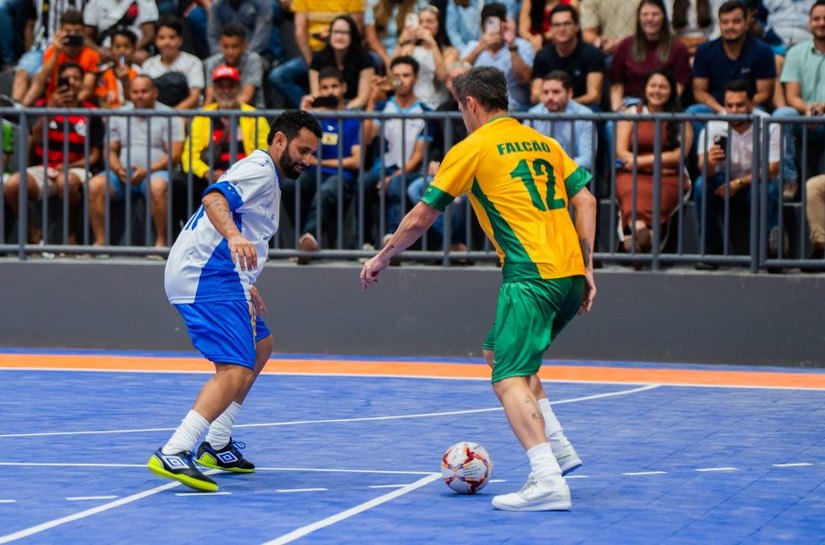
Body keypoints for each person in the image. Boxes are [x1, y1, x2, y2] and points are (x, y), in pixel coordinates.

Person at [360, 66, 596, 511]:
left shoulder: (473, 146)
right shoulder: (544, 143)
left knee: (507, 378)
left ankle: (546, 479)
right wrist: (587, 266)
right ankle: (559, 449)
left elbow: (422, 215)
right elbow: (585, 197)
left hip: (530, 274)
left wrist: (383, 255)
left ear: (471, 104)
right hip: (566, 274)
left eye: (459, 108)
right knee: (499, 354)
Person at [148, 110, 322, 492]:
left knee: (261, 345)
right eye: (302, 150)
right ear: (279, 140)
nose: (307, 160)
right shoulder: (260, 168)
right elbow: (213, 198)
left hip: (225, 276)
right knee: (236, 368)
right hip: (204, 276)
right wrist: (232, 238)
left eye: (312, 154)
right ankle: (176, 449)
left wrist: (246, 280)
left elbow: (247, 225)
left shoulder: (270, 178)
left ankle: (217, 441)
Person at [4, 61, 103, 245]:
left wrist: (69, 167)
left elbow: (94, 156)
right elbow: (36, 138)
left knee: (66, 182)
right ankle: (33, 234)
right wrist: (50, 109)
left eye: (76, 78)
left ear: (83, 83)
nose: (72, 82)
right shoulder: (44, 106)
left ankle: (70, 236)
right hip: (45, 168)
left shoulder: (91, 112)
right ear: (58, 82)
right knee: (12, 185)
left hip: (76, 169)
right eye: (67, 79)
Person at [88, 75, 185, 248]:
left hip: (154, 173)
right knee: (95, 185)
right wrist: (118, 169)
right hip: (121, 174)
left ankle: (161, 242)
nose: (139, 96)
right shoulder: (119, 114)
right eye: (135, 92)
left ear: (155, 93)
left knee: (158, 187)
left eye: (144, 91)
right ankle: (101, 241)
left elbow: (174, 154)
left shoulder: (170, 116)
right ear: (129, 94)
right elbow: (109, 150)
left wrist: (146, 170)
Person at [694, 79, 781, 266]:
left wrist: (739, 183)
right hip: (722, 181)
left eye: (740, 105)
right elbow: (704, 169)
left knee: (768, 191)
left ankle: (770, 253)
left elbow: (772, 167)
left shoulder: (770, 125)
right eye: (729, 105)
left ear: (752, 104)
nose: (733, 110)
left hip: (754, 182)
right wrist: (709, 163)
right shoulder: (714, 126)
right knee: (701, 185)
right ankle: (711, 251)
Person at [615, 68, 693, 254]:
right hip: (632, 173)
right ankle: (644, 235)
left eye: (663, 87)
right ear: (646, 89)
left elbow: (678, 155)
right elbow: (621, 151)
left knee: (659, 196)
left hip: (668, 175)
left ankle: (634, 239)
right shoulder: (632, 113)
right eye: (653, 86)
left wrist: (641, 163)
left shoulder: (682, 119)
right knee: (629, 191)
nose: (657, 91)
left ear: (672, 91)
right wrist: (642, 164)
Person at [291, 67, 363, 259]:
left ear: (344, 88)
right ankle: (301, 239)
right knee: (290, 186)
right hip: (313, 173)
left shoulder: (353, 118)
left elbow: (356, 161)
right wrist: (303, 114)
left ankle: (309, 240)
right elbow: (296, 147)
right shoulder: (315, 118)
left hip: (342, 176)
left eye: (334, 86)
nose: (329, 91)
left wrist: (322, 162)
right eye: (324, 88)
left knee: (327, 191)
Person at [362, 55, 431, 248]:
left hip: (410, 170)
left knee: (396, 184)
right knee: (364, 182)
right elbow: (366, 138)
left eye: (406, 75)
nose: (401, 80)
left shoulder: (425, 112)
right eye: (397, 75)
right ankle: (365, 241)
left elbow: (418, 156)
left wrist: (394, 177)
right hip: (384, 165)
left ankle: (392, 238)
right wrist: (371, 101)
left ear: (416, 78)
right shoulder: (383, 107)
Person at [181, 65, 270, 203]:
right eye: (221, 87)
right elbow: (189, 156)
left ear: (239, 88)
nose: (226, 91)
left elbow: (264, 155)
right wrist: (207, 173)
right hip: (209, 179)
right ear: (214, 90)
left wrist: (240, 174)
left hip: (246, 180)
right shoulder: (203, 116)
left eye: (231, 87)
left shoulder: (255, 116)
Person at [266, 0, 365, 109]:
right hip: (313, 54)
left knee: (374, 61)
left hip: (347, 54)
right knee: (278, 76)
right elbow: (300, 31)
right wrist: (310, 62)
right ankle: (310, 111)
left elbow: (357, 28)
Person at [772, 0, 825, 197]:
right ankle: (789, 181)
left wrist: (821, 109)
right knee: (783, 113)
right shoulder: (795, 53)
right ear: (809, 23)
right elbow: (791, 96)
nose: (821, 23)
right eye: (817, 19)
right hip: (803, 117)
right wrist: (807, 110)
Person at [690, 0, 777, 114]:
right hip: (715, 108)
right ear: (719, 25)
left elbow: (764, 93)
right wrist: (722, 110)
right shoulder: (705, 50)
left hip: (750, 107)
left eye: (736, 22)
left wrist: (738, 107)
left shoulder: (763, 51)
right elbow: (700, 92)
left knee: (760, 114)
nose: (730, 27)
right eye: (725, 22)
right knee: (694, 111)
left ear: (746, 24)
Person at [608, 0, 691, 112]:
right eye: (645, 14)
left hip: (664, 104)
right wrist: (617, 109)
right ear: (639, 17)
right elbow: (617, 85)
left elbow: (679, 86)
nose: (650, 18)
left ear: (664, 17)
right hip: (631, 104)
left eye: (655, 14)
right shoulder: (625, 45)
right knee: (611, 125)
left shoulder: (678, 48)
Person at [460, 2, 535, 111]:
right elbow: (458, 77)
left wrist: (512, 46)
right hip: (481, 111)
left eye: (498, 22)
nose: (495, 27)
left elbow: (524, 79)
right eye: (490, 22)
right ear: (482, 26)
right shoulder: (473, 47)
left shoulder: (522, 46)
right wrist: (481, 47)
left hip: (515, 110)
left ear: (505, 23)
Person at [530, 4, 606, 108]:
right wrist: (556, 103)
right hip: (551, 108)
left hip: (584, 110)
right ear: (551, 29)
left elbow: (594, 96)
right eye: (556, 25)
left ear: (577, 26)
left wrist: (565, 104)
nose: (562, 29)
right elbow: (535, 95)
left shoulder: (592, 54)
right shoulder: (542, 56)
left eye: (567, 24)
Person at [20, 8, 99, 106]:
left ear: (83, 32)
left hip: (78, 104)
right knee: (38, 77)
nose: (72, 35)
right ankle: (22, 109)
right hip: (53, 102)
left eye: (77, 31)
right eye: (68, 31)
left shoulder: (91, 55)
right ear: (61, 31)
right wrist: (57, 51)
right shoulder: (53, 51)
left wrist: (70, 103)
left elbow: (87, 89)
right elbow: (42, 77)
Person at [526, 71, 596, 173]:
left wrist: (555, 166)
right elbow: (526, 154)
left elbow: (587, 160)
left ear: (569, 93)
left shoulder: (585, 115)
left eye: (556, 92)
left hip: (572, 177)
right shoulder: (532, 114)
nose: (549, 97)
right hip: (540, 174)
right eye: (545, 92)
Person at [393, 4, 457, 109]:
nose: (424, 25)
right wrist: (401, 41)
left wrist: (432, 43)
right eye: (421, 21)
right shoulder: (409, 49)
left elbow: (442, 77)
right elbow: (392, 74)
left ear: (439, 24)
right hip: (413, 105)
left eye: (429, 21)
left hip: (438, 106)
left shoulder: (450, 52)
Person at [308, 15, 375, 111]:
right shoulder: (318, 59)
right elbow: (316, 94)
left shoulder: (364, 59)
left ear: (352, 35)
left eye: (344, 32)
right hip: (326, 107)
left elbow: (362, 98)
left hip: (354, 108)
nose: (339, 37)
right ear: (329, 34)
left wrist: (343, 112)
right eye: (336, 32)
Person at [141, 14, 205, 110]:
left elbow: (194, 97)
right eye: (162, 38)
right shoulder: (148, 65)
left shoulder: (193, 62)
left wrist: (172, 116)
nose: (167, 42)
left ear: (180, 40)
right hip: (156, 117)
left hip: (186, 114)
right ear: (155, 41)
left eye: (172, 37)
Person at [203, 23, 265, 108]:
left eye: (235, 47)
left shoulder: (253, 60)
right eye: (226, 46)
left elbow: (247, 96)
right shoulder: (212, 63)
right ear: (220, 45)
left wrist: (228, 110)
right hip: (220, 113)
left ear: (244, 45)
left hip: (251, 114)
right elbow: (210, 97)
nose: (230, 52)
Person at [82, 0, 157, 64]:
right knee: (91, 57)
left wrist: (130, 50)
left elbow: (149, 34)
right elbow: (86, 36)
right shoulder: (95, 2)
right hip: (106, 49)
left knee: (141, 57)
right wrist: (99, 50)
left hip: (134, 49)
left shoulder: (144, 1)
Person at [94, 27, 140, 109]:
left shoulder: (139, 72)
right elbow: (100, 99)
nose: (122, 50)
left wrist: (125, 81)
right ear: (111, 49)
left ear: (134, 49)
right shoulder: (103, 72)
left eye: (126, 46)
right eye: (117, 47)